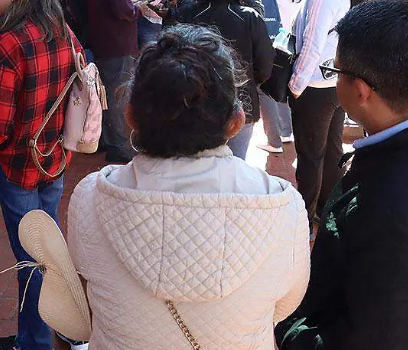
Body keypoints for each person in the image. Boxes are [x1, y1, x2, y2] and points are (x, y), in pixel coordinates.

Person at [68, 24, 310, 350]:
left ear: (130, 118)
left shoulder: (90, 198)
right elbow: (284, 306)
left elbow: (85, 301)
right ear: (235, 122)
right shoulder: (285, 209)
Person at [276, 0, 408, 350]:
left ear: (360, 90)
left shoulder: (396, 205)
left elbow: (378, 338)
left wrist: (287, 328)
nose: (335, 79)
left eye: (335, 70)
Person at [0, 0, 82, 350]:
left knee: (33, 261)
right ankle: (64, 330)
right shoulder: (62, 31)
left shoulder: (9, 44)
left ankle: (36, 342)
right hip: (54, 157)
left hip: (18, 165)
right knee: (48, 251)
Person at [288, 0, 374, 226]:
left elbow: (311, 41)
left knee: (311, 156)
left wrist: (295, 85)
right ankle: (327, 212)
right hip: (335, 79)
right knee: (331, 150)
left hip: (315, 82)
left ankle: (303, 218)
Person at [190, 0, 275, 159]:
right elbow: (264, 66)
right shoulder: (249, 17)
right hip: (240, 101)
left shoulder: (190, 15)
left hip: (195, 102)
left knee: (198, 167)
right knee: (236, 165)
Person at [83, 0, 147, 164]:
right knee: (117, 94)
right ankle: (118, 144)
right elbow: (123, 9)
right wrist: (138, 8)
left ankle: (104, 138)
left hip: (102, 39)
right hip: (116, 42)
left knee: (106, 93)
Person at [257, 0, 310, 154]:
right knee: (285, 86)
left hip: (275, 42)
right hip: (295, 43)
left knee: (267, 88)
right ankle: (286, 132)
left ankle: (274, 140)